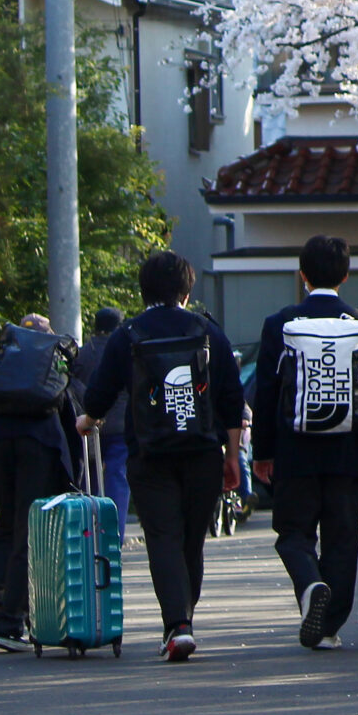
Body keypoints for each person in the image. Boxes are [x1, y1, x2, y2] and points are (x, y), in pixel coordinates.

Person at [75, 252, 246, 663]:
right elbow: (231, 399)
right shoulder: (209, 332)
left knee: (163, 537)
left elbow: (99, 392)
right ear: (187, 290)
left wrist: (88, 419)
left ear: (143, 290)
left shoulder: (128, 334)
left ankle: (178, 625)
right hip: (203, 451)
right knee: (191, 540)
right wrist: (233, 456)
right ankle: (184, 618)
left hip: (150, 455)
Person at [250, 234, 358, 648]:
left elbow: (265, 391)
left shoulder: (279, 324)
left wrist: (262, 454)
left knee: (294, 533)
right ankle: (329, 626)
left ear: (302, 275)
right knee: (342, 538)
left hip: (295, 451)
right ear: (346, 276)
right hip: (349, 452)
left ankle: (310, 584)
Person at [0, 313, 81, 650]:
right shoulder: (50, 364)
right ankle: (9, 621)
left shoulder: (5, 361)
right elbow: (68, 419)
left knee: (6, 524)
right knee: (27, 529)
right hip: (37, 446)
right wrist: (72, 476)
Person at [77, 306, 131, 524]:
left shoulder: (83, 353)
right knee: (117, 477)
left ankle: (86, 530)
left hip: (88, 424)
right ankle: (113, 535)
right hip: (121, 426)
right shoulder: (126, 350)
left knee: (88, 478)